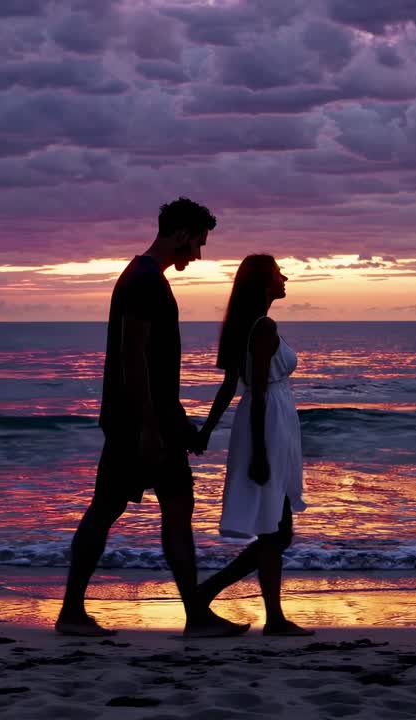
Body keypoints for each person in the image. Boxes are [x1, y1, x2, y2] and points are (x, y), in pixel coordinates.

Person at [56, 197, 248, 638]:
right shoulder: (143, 279)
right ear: (180, 233)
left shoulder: (144, 277)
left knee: (138, 508)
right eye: (198, 243)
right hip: (142, 424)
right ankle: (191, 616)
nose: (198, 254)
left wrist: (168, 421)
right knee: (137, 509)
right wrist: (148, 426)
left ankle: (75, 611)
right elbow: (132, 356)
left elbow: (147, 363)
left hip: (150, 420)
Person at [192, 254, 312, 636]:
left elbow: (230, 386)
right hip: (267, 423)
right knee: (277, 531)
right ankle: (209, 592)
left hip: (266, 422)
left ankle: (273, 617)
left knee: (275, 529)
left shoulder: (247, 325)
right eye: (278, 273)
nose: (285, 277)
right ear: (264, 283)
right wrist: (259, 452)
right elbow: (256, 391)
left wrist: (207, 430)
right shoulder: (263, 327)